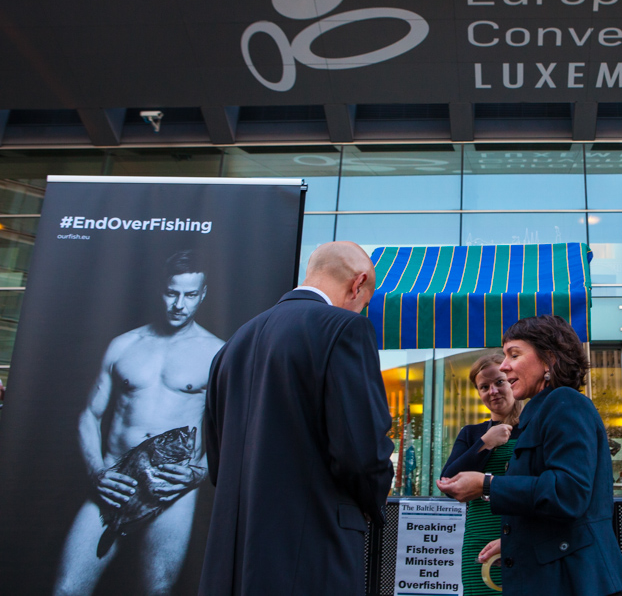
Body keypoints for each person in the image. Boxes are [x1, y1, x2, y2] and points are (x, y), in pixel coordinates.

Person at [199, 241, 394, 596]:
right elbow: (362, 450)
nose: (361, 309)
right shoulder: (345, 328)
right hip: (312, 552)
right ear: (357, 283)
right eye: (365, 301)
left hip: (231, 561)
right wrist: (372, 504)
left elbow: (217, 461)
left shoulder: (231, 346)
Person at [54, 250, 224, 596]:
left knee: (157, 590)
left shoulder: (217, 352)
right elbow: (90, 414)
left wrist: (201, 470)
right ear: (160, 290)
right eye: (171, 292)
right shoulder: (125, 345)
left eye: (190, 295)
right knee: (68, 590)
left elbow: (234, 424)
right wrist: (98, 472)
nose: (179, 304)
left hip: (172, 489)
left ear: (202, 295)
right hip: (115, 481)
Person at [437, 314, 622, 596]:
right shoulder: (543, 409)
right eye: (505, 356)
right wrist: (518, 540)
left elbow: (568, 493)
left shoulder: (564, 403)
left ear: (549, 359)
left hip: (574, 580)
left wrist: (486, 484)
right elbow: (555, 510)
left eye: (514, 355)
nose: (504, 366)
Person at [441, 352, 523, 594]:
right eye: (484, 387)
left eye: (499, 382)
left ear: (512, 380)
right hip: (479, 540)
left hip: (523, 537)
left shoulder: (535, 428)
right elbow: (449, 483)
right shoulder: (471, 434)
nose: (493, 391)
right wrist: (486, 442)